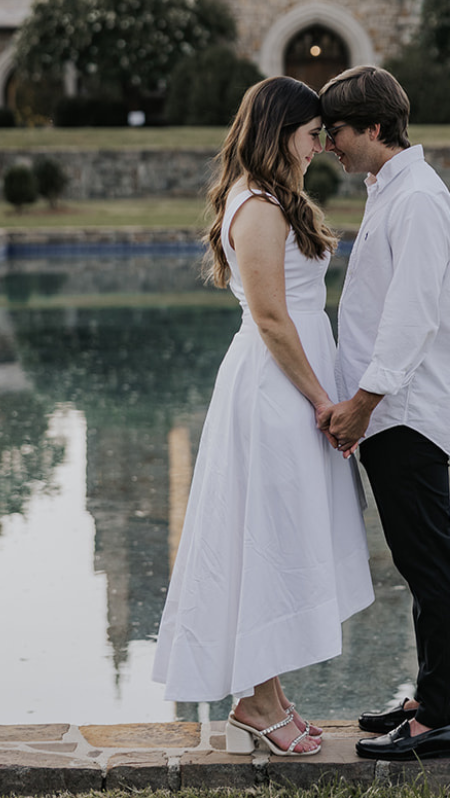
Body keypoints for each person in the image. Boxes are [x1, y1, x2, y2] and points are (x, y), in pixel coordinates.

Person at [151, 76, 373, 756]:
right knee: (264, 537)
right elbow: (273, 318)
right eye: (311, 137)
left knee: (280, 536)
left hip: (293, 384)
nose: (318, 149)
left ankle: (265, 696)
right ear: (279, 131)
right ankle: (258, 702)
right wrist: (320, 399)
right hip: (275, 391)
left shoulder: (278, 198)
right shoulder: (256, 206)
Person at [318, 65, 450, 762]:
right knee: (417, 563)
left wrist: (362, 404)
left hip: (403, 411)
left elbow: (411, 320)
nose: (329, 145)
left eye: (338, 132)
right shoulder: (391, 188)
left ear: (373, 128)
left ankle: (441, 719)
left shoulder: (417, 201)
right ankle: (428, 696)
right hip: (390, 411)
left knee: (429, 562)